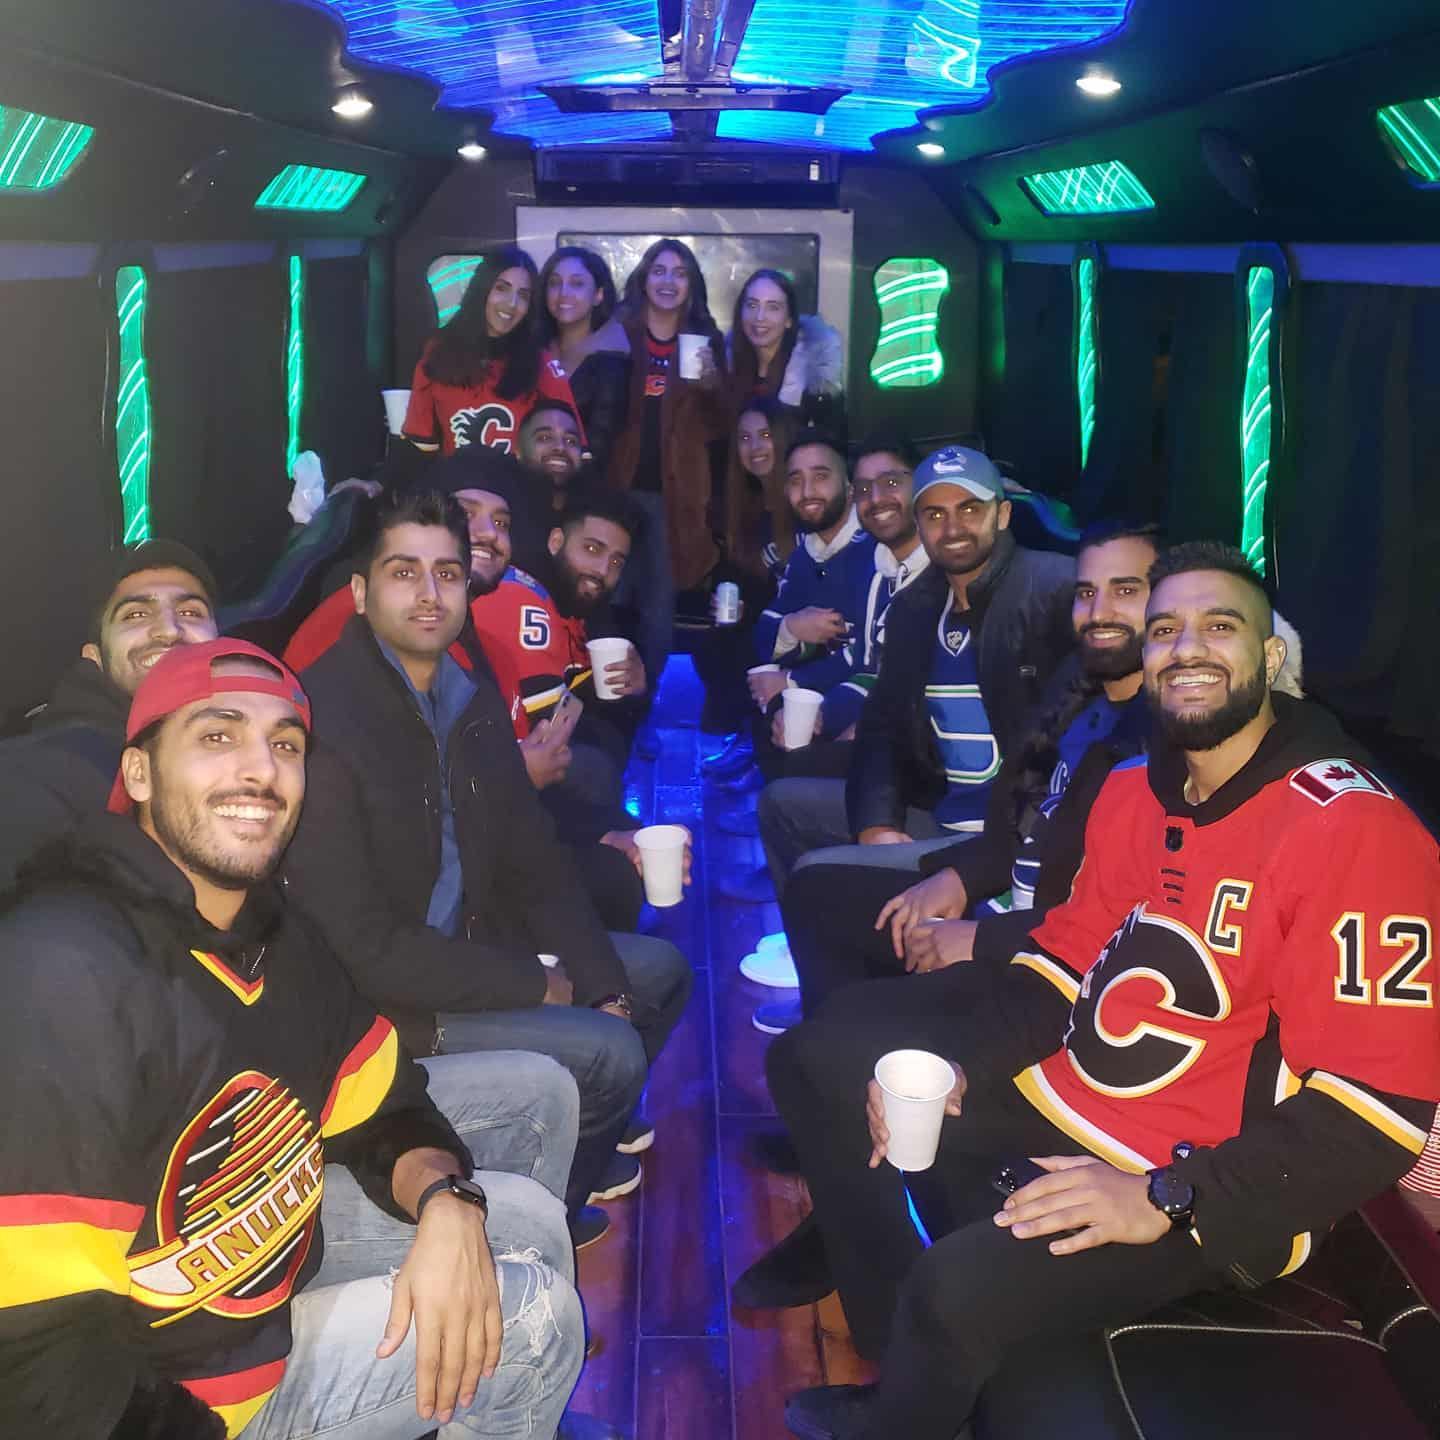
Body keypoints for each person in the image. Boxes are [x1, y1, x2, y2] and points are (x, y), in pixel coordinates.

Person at [770, 542, 1440, 1440]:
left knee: (955, 1284)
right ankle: (918, 1387)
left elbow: (1377, 1109)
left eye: (1219, 626)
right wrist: (959, 1063)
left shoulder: (1360, 830)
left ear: (1271, 658)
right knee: (852, 1083)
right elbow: (1061, 968)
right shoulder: (1133, 790)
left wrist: (1165, 1197)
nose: (1186, 645)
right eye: (1166, 628)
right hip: (1083, 1097)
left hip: (1220, 1177)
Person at [0, 638, 589, 1439]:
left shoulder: (274, 936)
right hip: (192, 1397)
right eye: (217, 735)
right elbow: (37, 1364)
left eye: (285, 744)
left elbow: (389, 1105)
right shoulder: (64, 968)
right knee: (536, 1323)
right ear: (138, 774)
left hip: (267, 1261)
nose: (260, 769)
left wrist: (448, 1201)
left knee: (514, 1220)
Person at [283, 491, 692, 1240]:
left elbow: (533, 853)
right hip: (384, 1012)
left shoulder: (461, 688)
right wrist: (543, 985)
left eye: (446, 572)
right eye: (404, 572)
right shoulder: (321, 724)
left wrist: (601, 985)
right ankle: (529, 1229)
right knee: (609, 1056)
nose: (430, 593)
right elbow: (367, 952)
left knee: (656, 972)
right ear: (360, 593)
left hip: (467, 947)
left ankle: (555, 1150)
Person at [750, 444, 1075, 897]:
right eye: (935, 515)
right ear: (918, 525)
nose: (953, 527)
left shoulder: (1057, 590)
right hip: (940, 816)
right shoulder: (914, 607)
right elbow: (882, 728)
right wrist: (877, 823)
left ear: (1001, 515)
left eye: (969, 509)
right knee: (781, 806)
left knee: (818, 895)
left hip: (1014, 837)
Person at [0, 539, 219, 892]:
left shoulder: (263, 753)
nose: (169, 630)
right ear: (94, 657)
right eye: (135, 614)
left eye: (191, 612)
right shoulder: (45, 770)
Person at [608, 238, 727, 682]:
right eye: (659, 271)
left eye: (679, 273)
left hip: (673, 496)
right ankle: (606, 699)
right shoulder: (619, 331)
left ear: (691, 285)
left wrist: (715, 388)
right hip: (615, 489)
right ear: (643, 278)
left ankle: (641, 703)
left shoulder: (705, 340)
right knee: (610, 595)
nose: (668, 281)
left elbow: (719, 430)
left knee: (657, 607)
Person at [695, 398, 801, 765]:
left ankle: (753, 745)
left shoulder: (803, 498)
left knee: (745, 648)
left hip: (809, 624)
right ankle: (745, 740)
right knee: (714, 643)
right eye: (744, 438)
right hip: (772, 618)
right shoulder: (748, 505)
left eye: (765, 435)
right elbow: (746, 575)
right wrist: (737, 604)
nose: (754, 447)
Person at [402, 244, 579, 459]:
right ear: (482, 289)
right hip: (456, 488)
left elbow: (573, 454)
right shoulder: (439, 351)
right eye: (502, 288)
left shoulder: (542, 364)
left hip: (517, 490)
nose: (512, 304)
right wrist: (376, 483)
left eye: (523, 295)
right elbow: (417, 449)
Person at [539, 246, 631, 477]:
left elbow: (597, 449)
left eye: (577, 284)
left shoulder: (611, 359)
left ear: (598, 295)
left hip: (577, 488)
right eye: (554, 283)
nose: (563, 293)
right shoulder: (535, 347)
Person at [728, 267, 844, 432]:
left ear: (789, 320)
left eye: (773, 307)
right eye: (752, 305)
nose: (759, 317)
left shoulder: (813, 380)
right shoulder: (728, 367)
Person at [516, 400, 585, 510]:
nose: (560, 447)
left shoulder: (600, 517)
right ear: (518, 451)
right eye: (545, 438)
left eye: (570, 441)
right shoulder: (503, 513)